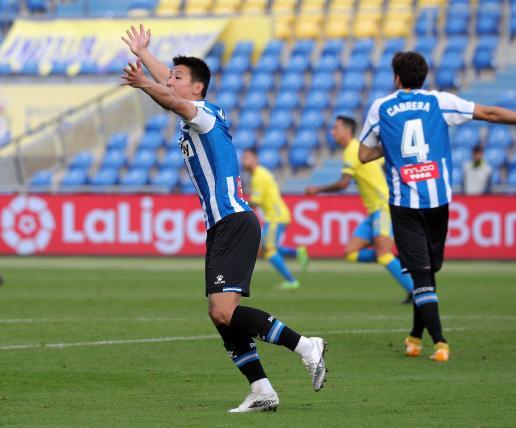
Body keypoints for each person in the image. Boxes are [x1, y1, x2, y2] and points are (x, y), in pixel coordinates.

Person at [120, 24, 327, 412]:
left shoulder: (203, 113)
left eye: (177, 77)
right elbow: (170, 90)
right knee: (220, 316)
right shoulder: (195, 111)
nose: (169, 80)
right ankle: (262, 390)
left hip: (233, 220)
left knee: (222, 310)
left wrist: (143, 82)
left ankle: (306, 346)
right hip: (222, 226)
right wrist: (145, 54)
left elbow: (171, 99)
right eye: (169, 75)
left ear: (197, 87)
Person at [358, 51, 516, 362]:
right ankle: (417, 337)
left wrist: (394, 146)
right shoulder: (439, 101)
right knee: (427, 271)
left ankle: (440, 342)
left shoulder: (381, 107)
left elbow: (363, 155)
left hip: (404, 203)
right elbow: (490, 113)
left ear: (397, 78)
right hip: (438, 201)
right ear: (424, 77)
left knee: (422, 274)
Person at [305, 116, 413, 301]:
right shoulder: (361, 148)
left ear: (347, 131)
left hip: (383, 207)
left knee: (383, 255)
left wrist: (317, 189)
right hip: (374, 211)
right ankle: (395, 259)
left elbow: (343, 183)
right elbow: (383, 165)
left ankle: (416, 291)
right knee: (351, 253)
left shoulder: (351, 150)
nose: (332, 132)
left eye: (336, 128)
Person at [241, 148, 308, 289]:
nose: (243, 161)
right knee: (267, 248)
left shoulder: (259, 176)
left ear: (255, 159)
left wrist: (239, 205)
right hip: (276, 215)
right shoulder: (260, 173)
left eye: (247, 157)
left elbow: (256, 202)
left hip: (275, 216)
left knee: (269, 250)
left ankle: (292, 281)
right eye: (243, 158)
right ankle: (297, 252)